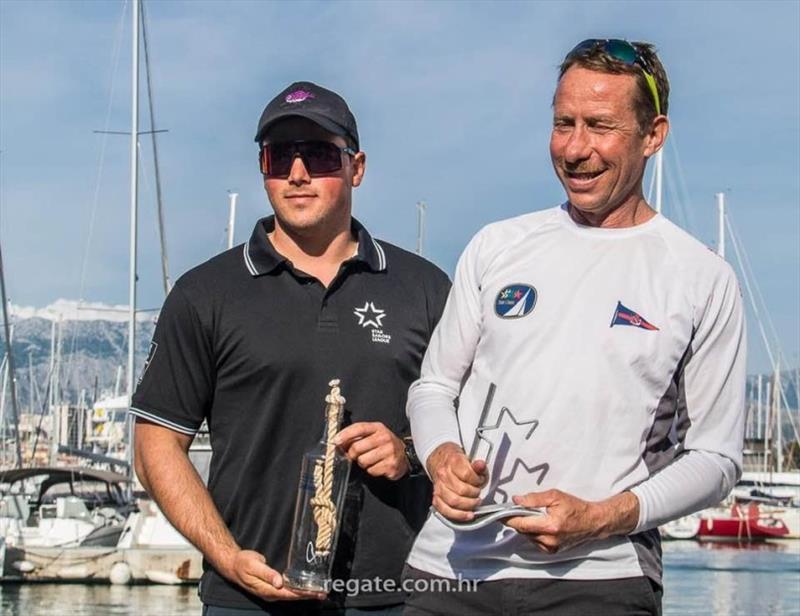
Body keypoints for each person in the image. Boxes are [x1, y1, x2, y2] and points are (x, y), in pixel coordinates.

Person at [403, 39, 746, 616]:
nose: (576, 148)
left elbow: (716, 459)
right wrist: (440, 455)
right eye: (564, 123)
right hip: (449, 571)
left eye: (600, 126)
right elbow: (433, 386)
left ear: (653, 135)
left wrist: (600, 518)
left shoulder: (700, 277)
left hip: (602, 579)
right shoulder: (497, 245)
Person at [131, 81, 450, 615]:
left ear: (357, 167)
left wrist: (409, 453)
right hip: (249, 598)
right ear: (264, 168)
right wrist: (226, 556)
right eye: (280, 157)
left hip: (397, 597)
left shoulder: (423, 288)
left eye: (320, 155)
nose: (297, 174)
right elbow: (155, 445)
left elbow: (471, 425)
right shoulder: (205, 293)